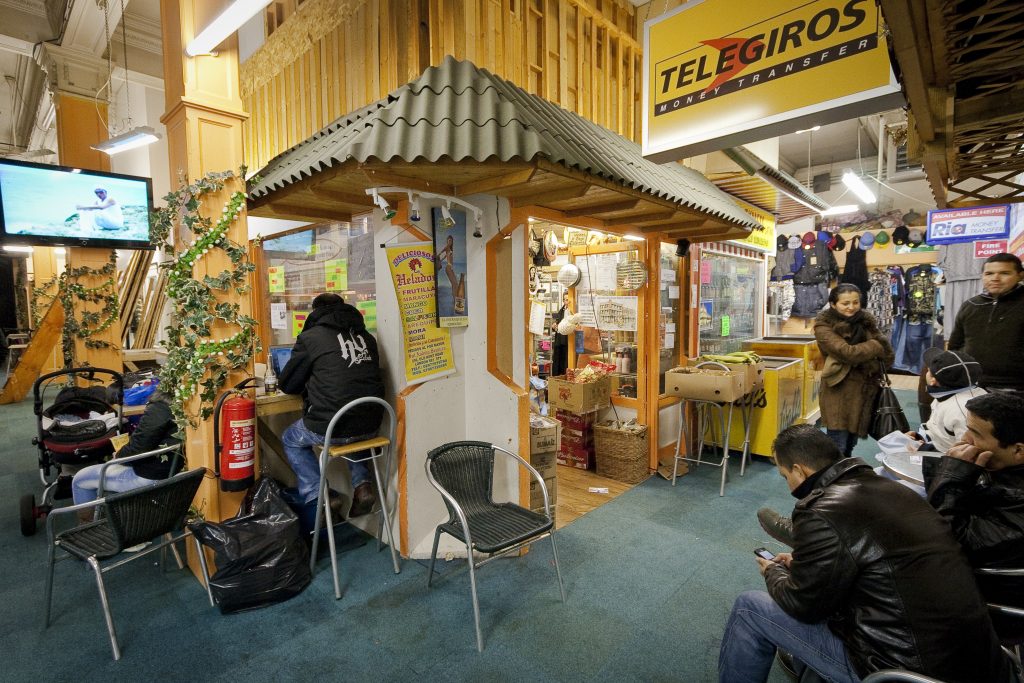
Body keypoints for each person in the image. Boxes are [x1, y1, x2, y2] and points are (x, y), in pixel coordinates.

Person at [719, 424, 1014, 683]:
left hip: (899, 670)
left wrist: (774, 571)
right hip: (976, 661)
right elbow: (877, 562)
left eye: (785, 476)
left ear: (800, 470)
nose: (788, 485)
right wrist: (805, 564)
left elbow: (803, 605)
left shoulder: (822, 510)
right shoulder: (894, 489)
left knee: (749, 607)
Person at [279, 293, 385, 532]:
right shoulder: (367, 337)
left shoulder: (310, 337)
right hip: (371, 424)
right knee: (353, 422)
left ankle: (320, 496)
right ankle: (363, 485)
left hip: (332, 426)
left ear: (315, 312)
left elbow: (288, 385)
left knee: (291, 438)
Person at [923, 392, 1024, 630]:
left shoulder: (1016, 504)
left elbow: (940, 546)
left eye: (975, 434)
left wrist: (952, 474)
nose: (964, 439)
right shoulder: (1003, 474)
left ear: (1018, 450)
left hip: (986, 607)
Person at [814, 283, 894, 457]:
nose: (851, 307)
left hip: (864, 391)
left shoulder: (866, 322)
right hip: (839, 392)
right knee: (837, 446)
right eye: (845, 303)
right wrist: (874, 346)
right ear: (833, 304)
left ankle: (845, 478)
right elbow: (847, 352)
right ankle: (832, 481)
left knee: (850, 445)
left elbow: (887, 354)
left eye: (855, 302)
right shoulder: (823, 326)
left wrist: (873, 350)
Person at [71, 389, 179, 505]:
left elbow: (137, 450)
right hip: (174, 472)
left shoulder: (159, 408)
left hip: (151, 476)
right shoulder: (183, 407)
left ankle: (89, 523)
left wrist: (118, 456)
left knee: (79, 479)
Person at [948, 252, 1024, 392]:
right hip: (970, 383)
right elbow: (955, 345)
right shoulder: (971, 305)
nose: (995, 278)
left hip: (1015, 387)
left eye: (1004, 273)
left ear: (1020, 275)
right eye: (989, 274)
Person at [906, 348, 987, 454]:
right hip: (937, 447)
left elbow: (969, 453)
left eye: (928, 371)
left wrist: (926, 449)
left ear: (933, 381)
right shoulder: (946, 395)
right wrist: (922, 437)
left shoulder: (963, 410)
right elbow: (942, 431)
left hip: (948, 462)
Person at [436, 234, 466, 315]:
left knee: (455, 284)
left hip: (450, 268)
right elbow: (439, 254)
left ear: (452, 242)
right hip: (448, 267)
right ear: (447, 241)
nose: (450, 242)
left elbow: (445, 256)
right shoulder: (446, 247)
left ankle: (455, 300)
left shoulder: (450, 249)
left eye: (451, 241)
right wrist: (437, 259)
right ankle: (455, 300)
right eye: (448, 240)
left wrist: (441, 260)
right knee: (455, 284)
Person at [550, 292, 570, 378]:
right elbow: (557, 321)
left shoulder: (573, 311)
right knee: (559, 362)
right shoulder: (561, 310)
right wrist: (554, 325)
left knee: (567, 363)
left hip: (568, 341)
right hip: (559, 341)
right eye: (565, 300)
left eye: (568, 300)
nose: (567, 302)